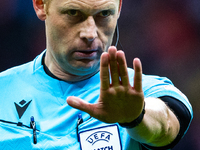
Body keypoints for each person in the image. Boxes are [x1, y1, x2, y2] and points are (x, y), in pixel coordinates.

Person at [0, 0, 193, 149]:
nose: (90, 33)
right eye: (73, 13)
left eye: (104, 14)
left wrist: (136, 117)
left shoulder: (140, 92)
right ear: (41, 5)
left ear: (118, 8)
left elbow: (167, 124)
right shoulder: (3, 91)